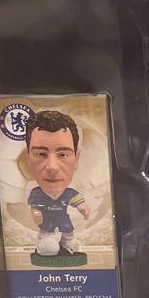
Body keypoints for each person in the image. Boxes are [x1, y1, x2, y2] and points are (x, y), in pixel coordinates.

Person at [25, 109, 90, 257]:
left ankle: (67, 242)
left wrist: (83, 209)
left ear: (76, 159)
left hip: (63, 219)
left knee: (68, 233)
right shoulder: (37, 194)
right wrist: (35, 213)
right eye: (41, 154)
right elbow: (34, 207)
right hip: (46, 222)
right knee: (48, 246)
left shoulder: (69, 193)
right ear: (28, 158)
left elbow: (78, 202)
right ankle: (47, 244)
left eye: (63, 154)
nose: (52, 167)